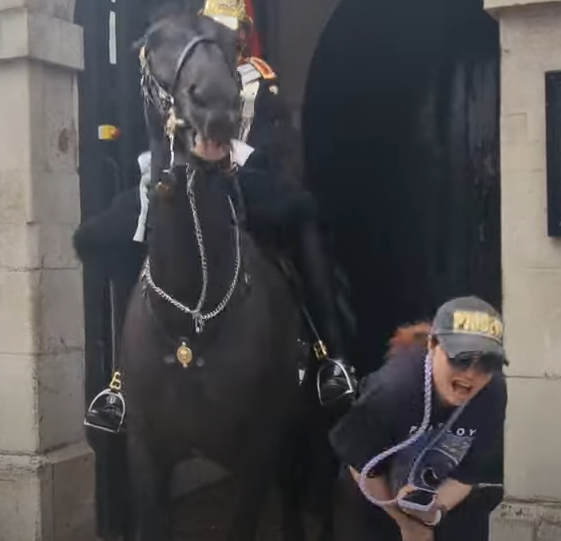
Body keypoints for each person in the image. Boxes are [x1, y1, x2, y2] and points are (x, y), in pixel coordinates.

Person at [79, 0, 356, 434]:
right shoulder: (173, 66)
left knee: (303, 214)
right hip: (172, 173)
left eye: (236, 31)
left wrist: (249, 161)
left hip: (242, 173)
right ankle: (116, 380)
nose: (234, 39)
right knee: (101, 238)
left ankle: (328, 354)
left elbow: (276, 138)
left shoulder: (259, 78)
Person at [329, 296, 507, 541]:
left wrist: (430, 513)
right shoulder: (393, 389)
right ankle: (328, 363)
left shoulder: (492, 393)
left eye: (487, 363)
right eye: (460, 358)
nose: (471, 374)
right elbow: (362, 467)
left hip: (442, 498)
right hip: (373, 495)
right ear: (433, 345)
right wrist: (405, 522)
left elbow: (468, 474)